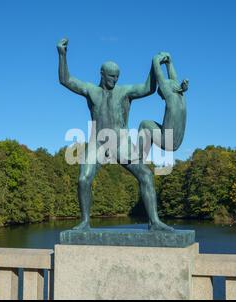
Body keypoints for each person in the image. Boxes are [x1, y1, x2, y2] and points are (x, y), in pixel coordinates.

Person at [57, 38, 174, 231]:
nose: (114, 79)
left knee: (145, 175)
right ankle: (85, 221)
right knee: (83, 179)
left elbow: (148, 88)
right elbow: (65, 80)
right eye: (111, 76)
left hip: (120, 142)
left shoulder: (124, 92)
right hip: (98, 142)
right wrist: (62, 55)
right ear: (102, 74)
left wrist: (155, 64)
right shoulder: (91, 91)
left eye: (117, 76)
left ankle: (155, 222)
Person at [138, 52, 188, 160]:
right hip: (177, 142)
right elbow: (174, 79)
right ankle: (142, 155)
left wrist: (156, 60)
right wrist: (169, 63)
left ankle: (139, 156)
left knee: (144, 124)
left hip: (168, 141)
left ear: (166, 91)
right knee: (151, 125)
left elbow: (159, 76)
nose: (162, 98)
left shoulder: (170, 96)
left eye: (162, 94)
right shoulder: (180, 94)